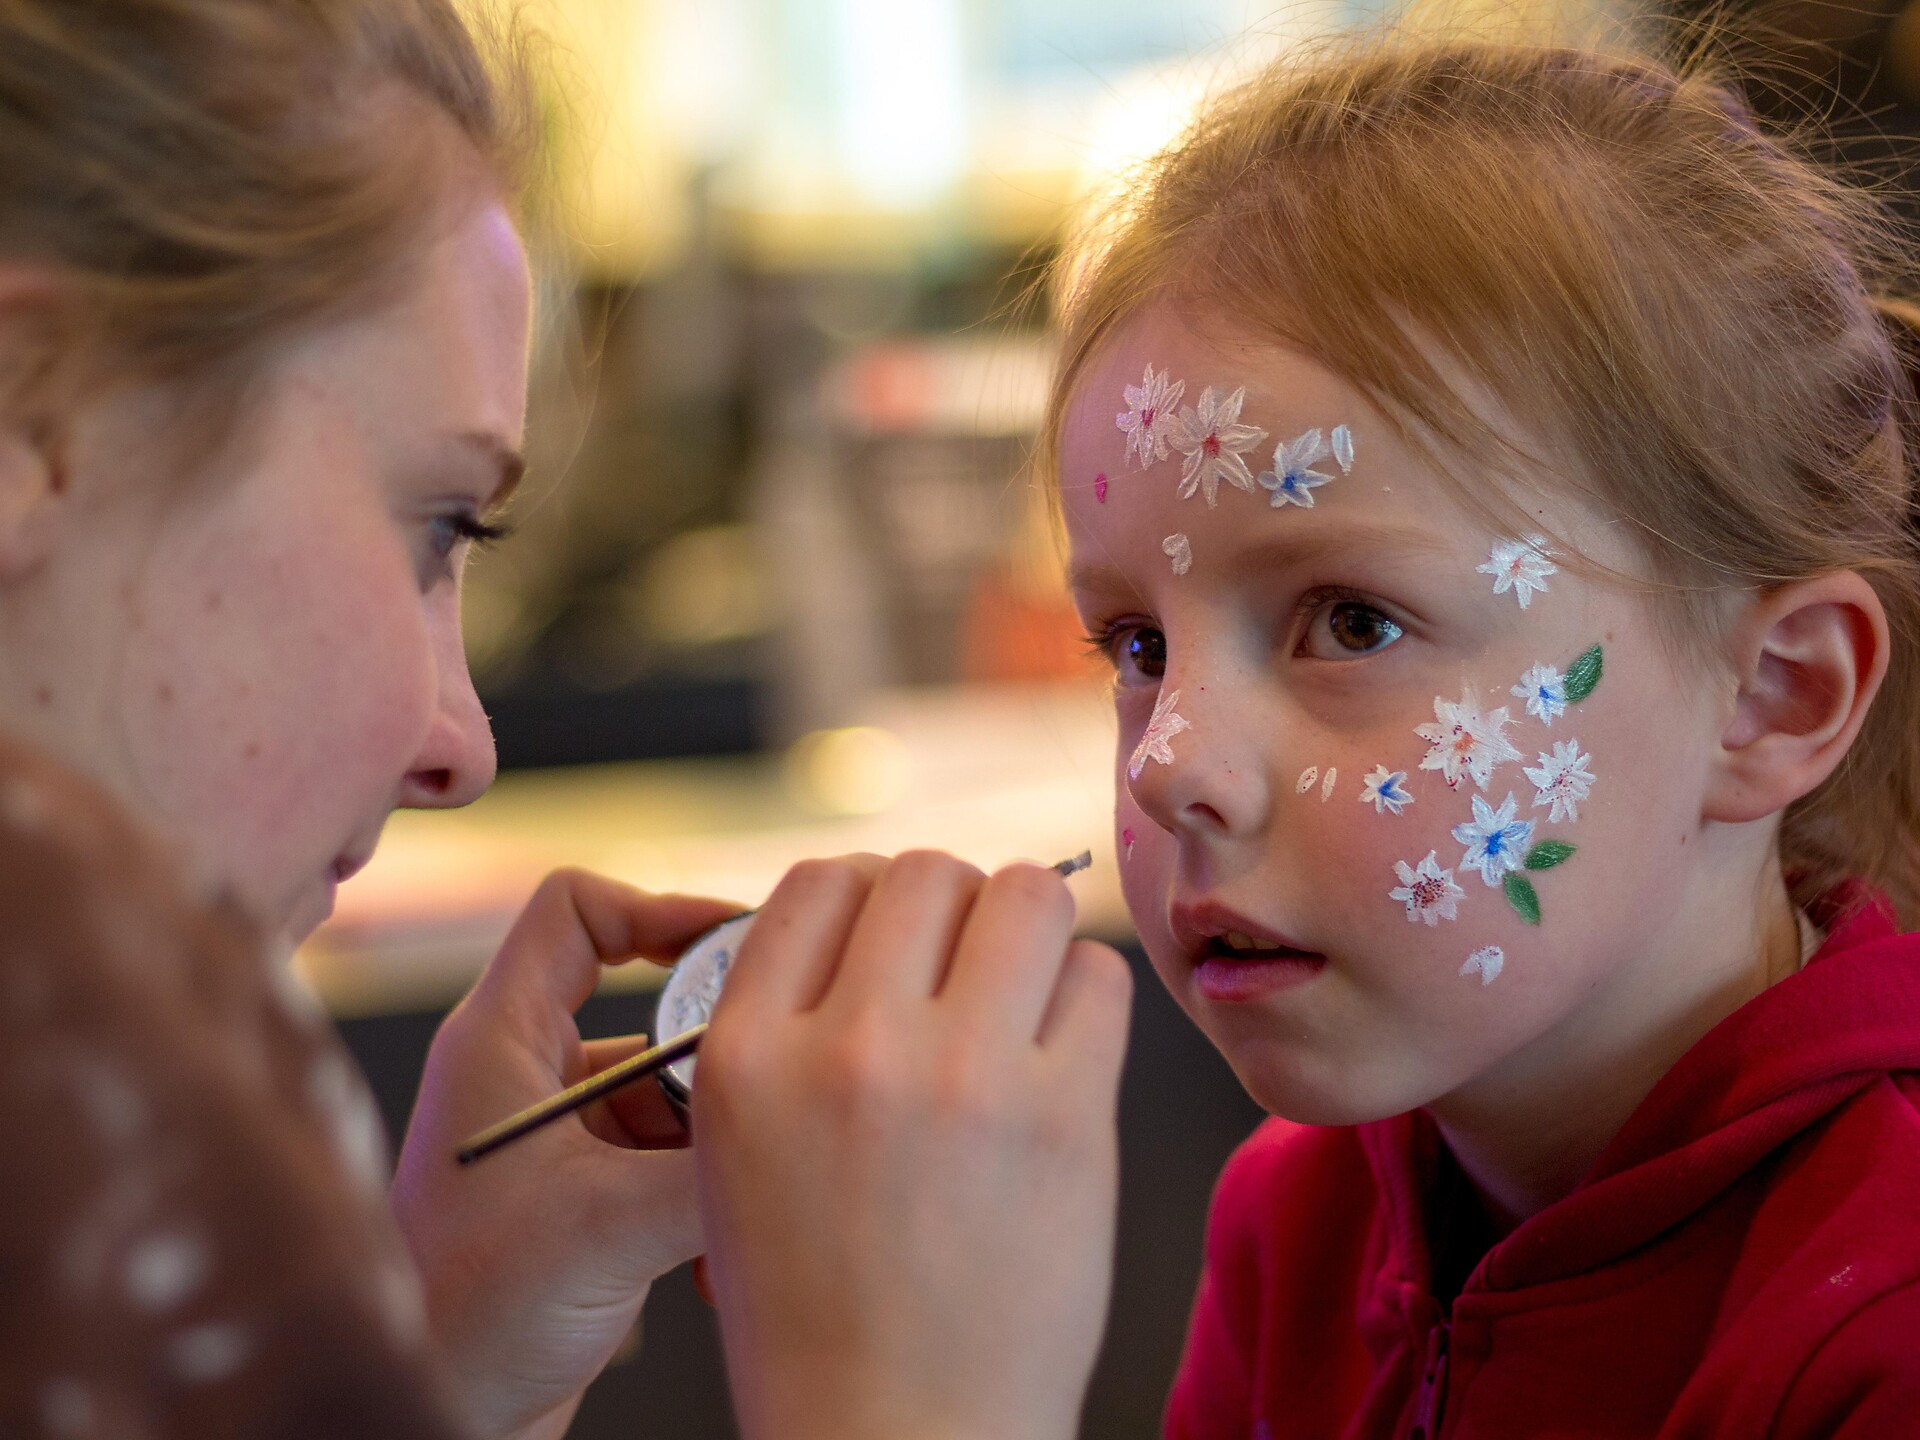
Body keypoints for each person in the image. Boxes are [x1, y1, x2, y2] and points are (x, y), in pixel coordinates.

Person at [689, 32, 1920, 1440]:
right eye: (1138, 647)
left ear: (1775, 696)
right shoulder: (1299, 1221)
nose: (1169, 762)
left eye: (1351, 622)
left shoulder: (1882, 1329)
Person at [0, 2, 1131, 1436]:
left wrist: (446, 1380)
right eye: (437, 524)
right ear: (33, 410)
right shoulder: (86, 1078)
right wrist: (908, 1392)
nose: (458, 746)